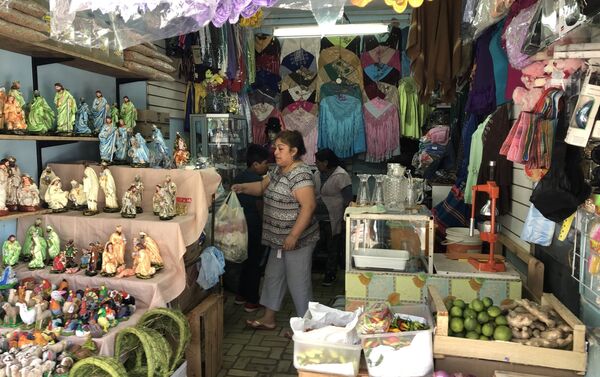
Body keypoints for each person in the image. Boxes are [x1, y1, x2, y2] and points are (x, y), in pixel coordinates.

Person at [232, 130, 319, 330]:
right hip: (278, 240)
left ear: (294, 151)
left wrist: (293, 235)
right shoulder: (278, 170)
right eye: (275, 148)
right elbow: (261, 188)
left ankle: (308, 328)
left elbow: (309, 207)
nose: (276, 153)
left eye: (281, 149)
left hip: (297, 240)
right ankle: (268, 318)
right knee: (273, 276)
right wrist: (242, 188)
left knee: (299, 282)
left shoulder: (300, 174)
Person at [232, 144, 269, 313]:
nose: (267, 166)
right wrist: (265, 224)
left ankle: (240, 295)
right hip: (253, 224)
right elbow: (260, 205)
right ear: (255, 164)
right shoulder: (258, 181)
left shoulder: (238, 177)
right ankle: (252, 301)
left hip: (237, 225)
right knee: (254, 262)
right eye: (264, 163)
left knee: (244, 260)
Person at [314, 149, 353, 286]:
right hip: (317, 217)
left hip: (334, 217)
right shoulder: (317, 174)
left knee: (333, 247)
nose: (315, 164)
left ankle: (330, 274)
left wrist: (344, 220)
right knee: (316, 245)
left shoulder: (341, 175)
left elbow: (348, 199)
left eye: (317, 162)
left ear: (325, 162)